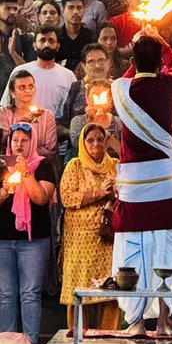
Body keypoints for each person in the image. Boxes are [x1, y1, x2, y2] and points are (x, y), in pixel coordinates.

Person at [110, 28, 172, 339]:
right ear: (159, 65)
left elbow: (133, 73)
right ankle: (164, 323)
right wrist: (159, 38)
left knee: (134, 253)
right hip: (166, 182)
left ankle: (137, 321)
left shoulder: (120, 87)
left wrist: (140, 51)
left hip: (134, 185)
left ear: (132, 60)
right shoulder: (168, 85)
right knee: (165, 252)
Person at [0, 121, 57, 344]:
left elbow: (40, 198)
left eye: (24, 141)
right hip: (3, 238)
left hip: (33, 240)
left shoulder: (43, 165)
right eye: (15, 140)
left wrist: (25, 172)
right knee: (5, 294)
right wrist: (6, 188)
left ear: (32, 142)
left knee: (29, 294)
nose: (19, 144)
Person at [58, 122, 120, 331]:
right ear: (82, 143)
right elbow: (66, 198)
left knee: (109, 289)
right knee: (81, 287)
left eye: (100, 140)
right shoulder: (74, 165)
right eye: (90, 140)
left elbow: (125, 196)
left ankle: (108, 342)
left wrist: (113, 195)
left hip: (106, 239)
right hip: (79, 241)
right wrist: (97, 194)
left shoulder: (114, 165)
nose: (96, 144)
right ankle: (80, 342)